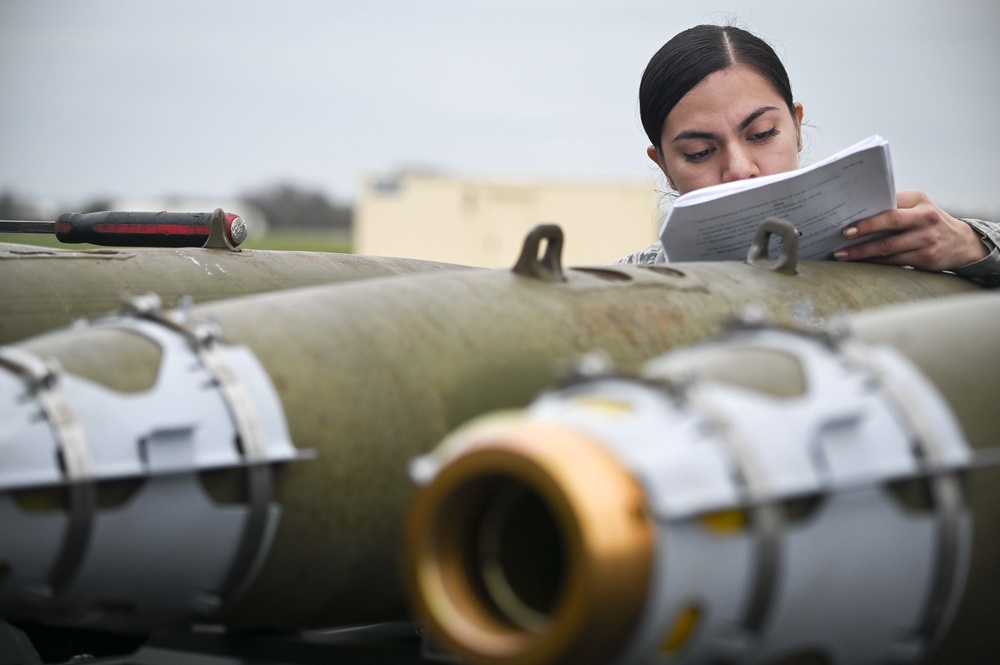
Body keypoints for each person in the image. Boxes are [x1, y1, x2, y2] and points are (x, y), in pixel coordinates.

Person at [616, 25, 1000, 287]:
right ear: (664, 166)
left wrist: (972, 246)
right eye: (699, 153)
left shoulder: (904, 248)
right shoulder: (628, 285)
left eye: (762, 134)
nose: (740, 169)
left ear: (797, 127)